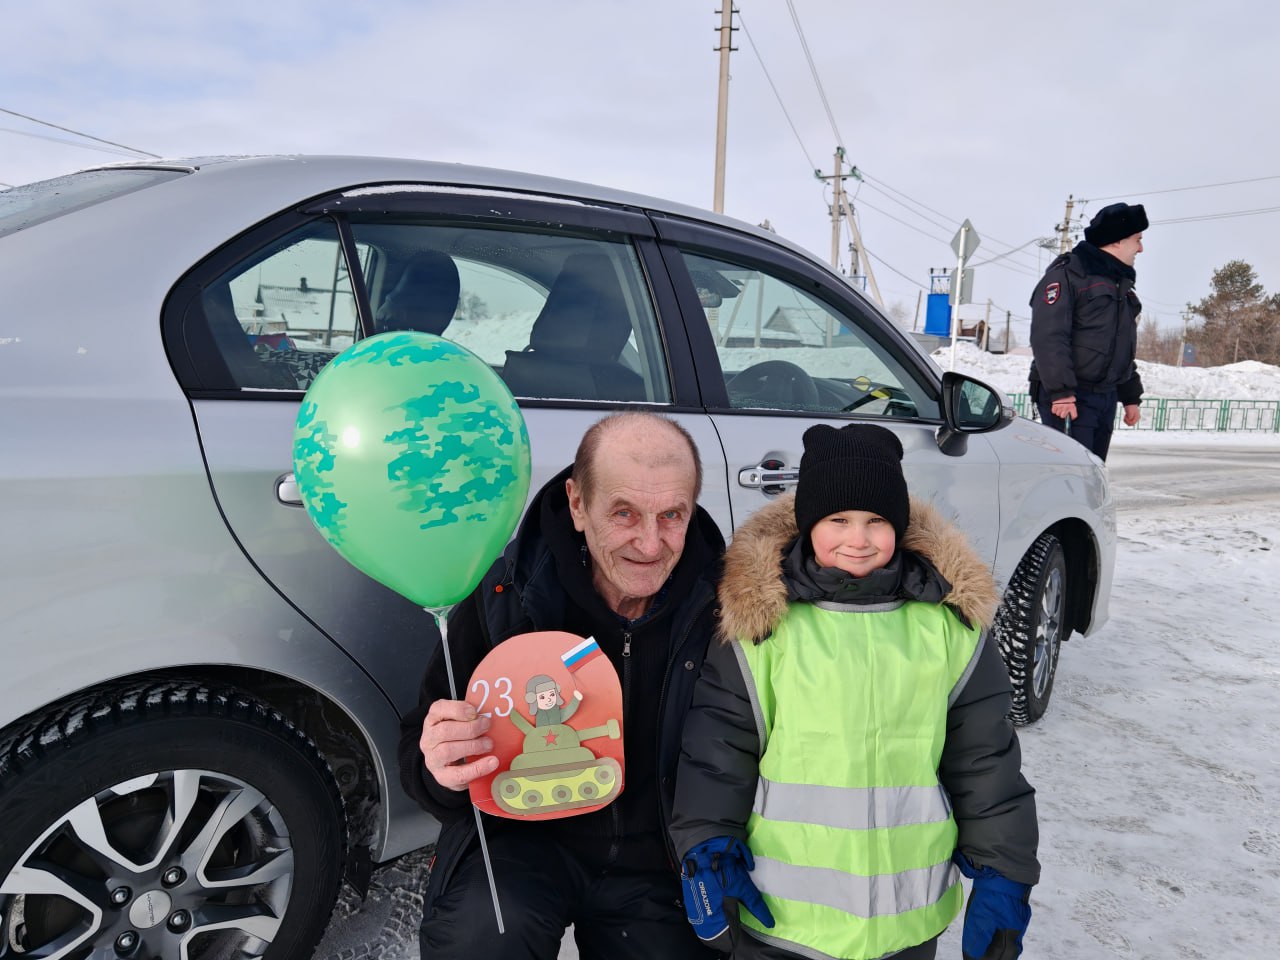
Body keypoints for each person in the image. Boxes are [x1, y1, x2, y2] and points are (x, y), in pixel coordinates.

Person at [669, 423, 1039, 960]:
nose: (858, 539)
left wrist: (1005, 870)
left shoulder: (947, 630)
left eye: (877, 521)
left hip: (905, 918)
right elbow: (718, 750)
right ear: (806, 523)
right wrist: (707, 844)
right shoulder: (764, 631)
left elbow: (984, 760)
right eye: (837, 520)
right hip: (783, 918)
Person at [398, 411, 725, 960]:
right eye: (624, 513)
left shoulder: (724, 607)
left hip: (660, 857)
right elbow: (419, 747)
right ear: (577, 504)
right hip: (523, 839)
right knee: (484, 936)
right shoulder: (509, 593)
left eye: (672, 515)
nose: (651, 543)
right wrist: (442, 767)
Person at [1028, 201, 1148, 461]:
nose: (1141, 248)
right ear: (1117, 241)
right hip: (1070, 398)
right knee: (1070, 476)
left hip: (1104, 396)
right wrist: (1061, 394)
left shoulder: (1120, 285)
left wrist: (1130, 395)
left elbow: (1119, 345)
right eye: (1137, 240)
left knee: (1093, 474)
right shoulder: (1068, 276)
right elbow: (1049, 337)